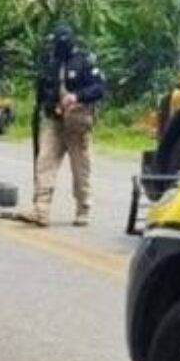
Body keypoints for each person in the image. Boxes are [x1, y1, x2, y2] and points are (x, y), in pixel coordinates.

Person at [20, 23, 105, 227]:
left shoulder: (84, 61)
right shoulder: (51, 63)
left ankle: (83, 209)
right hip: (54, 122)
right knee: (44, 163)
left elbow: (99, 88)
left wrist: (77, 96)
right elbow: (43, 90)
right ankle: (41, 210)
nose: (56, 47)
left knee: (80, 169)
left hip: (76, 124)